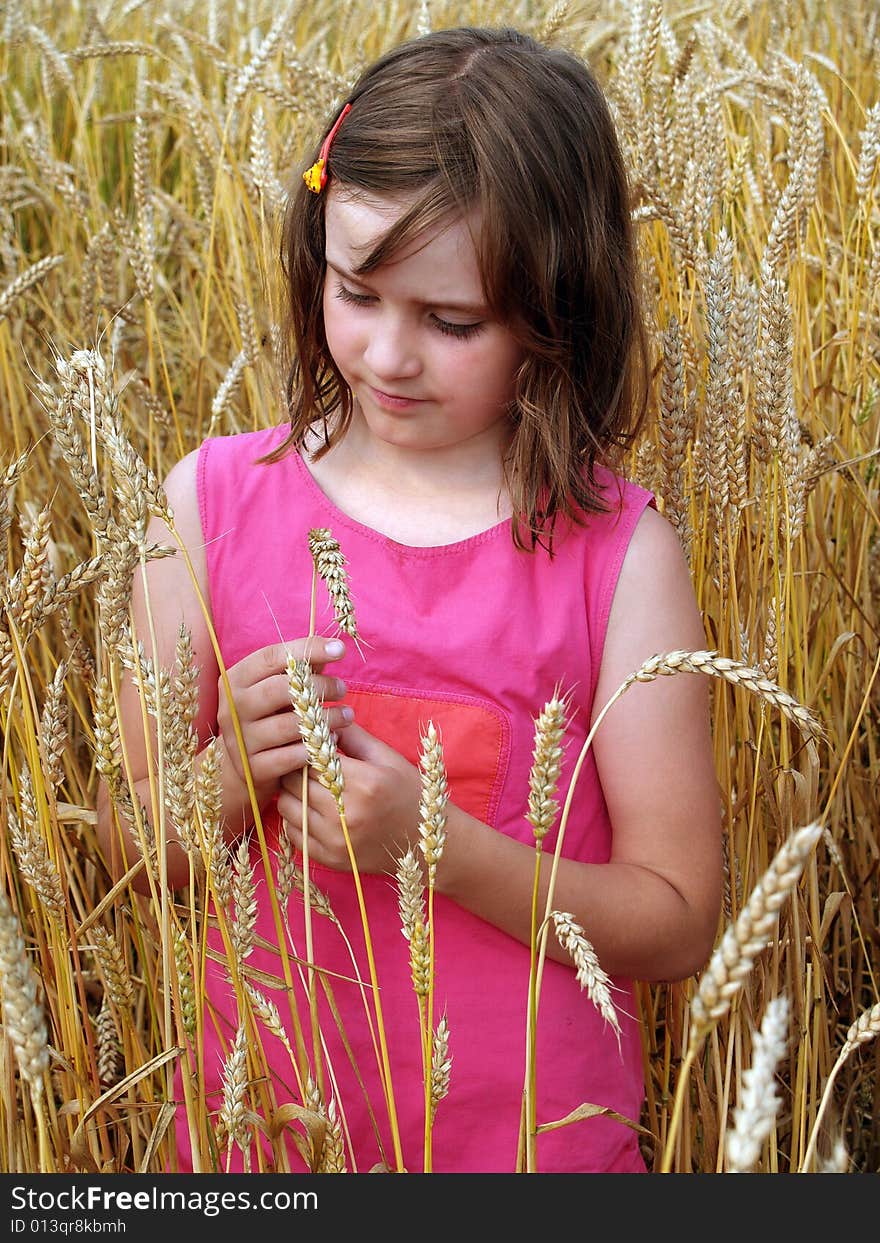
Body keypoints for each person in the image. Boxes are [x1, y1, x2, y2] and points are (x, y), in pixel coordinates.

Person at [97, 25, 722, 1175]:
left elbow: (677, 915)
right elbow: (132, 850)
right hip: (266, 1147)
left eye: (451, 321)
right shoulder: (210, 507)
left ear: (556, 312)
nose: (386, 355)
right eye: (355, 292)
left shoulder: (619, 559)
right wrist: (229, 773)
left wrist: (432, 850)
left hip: (536, 1149)